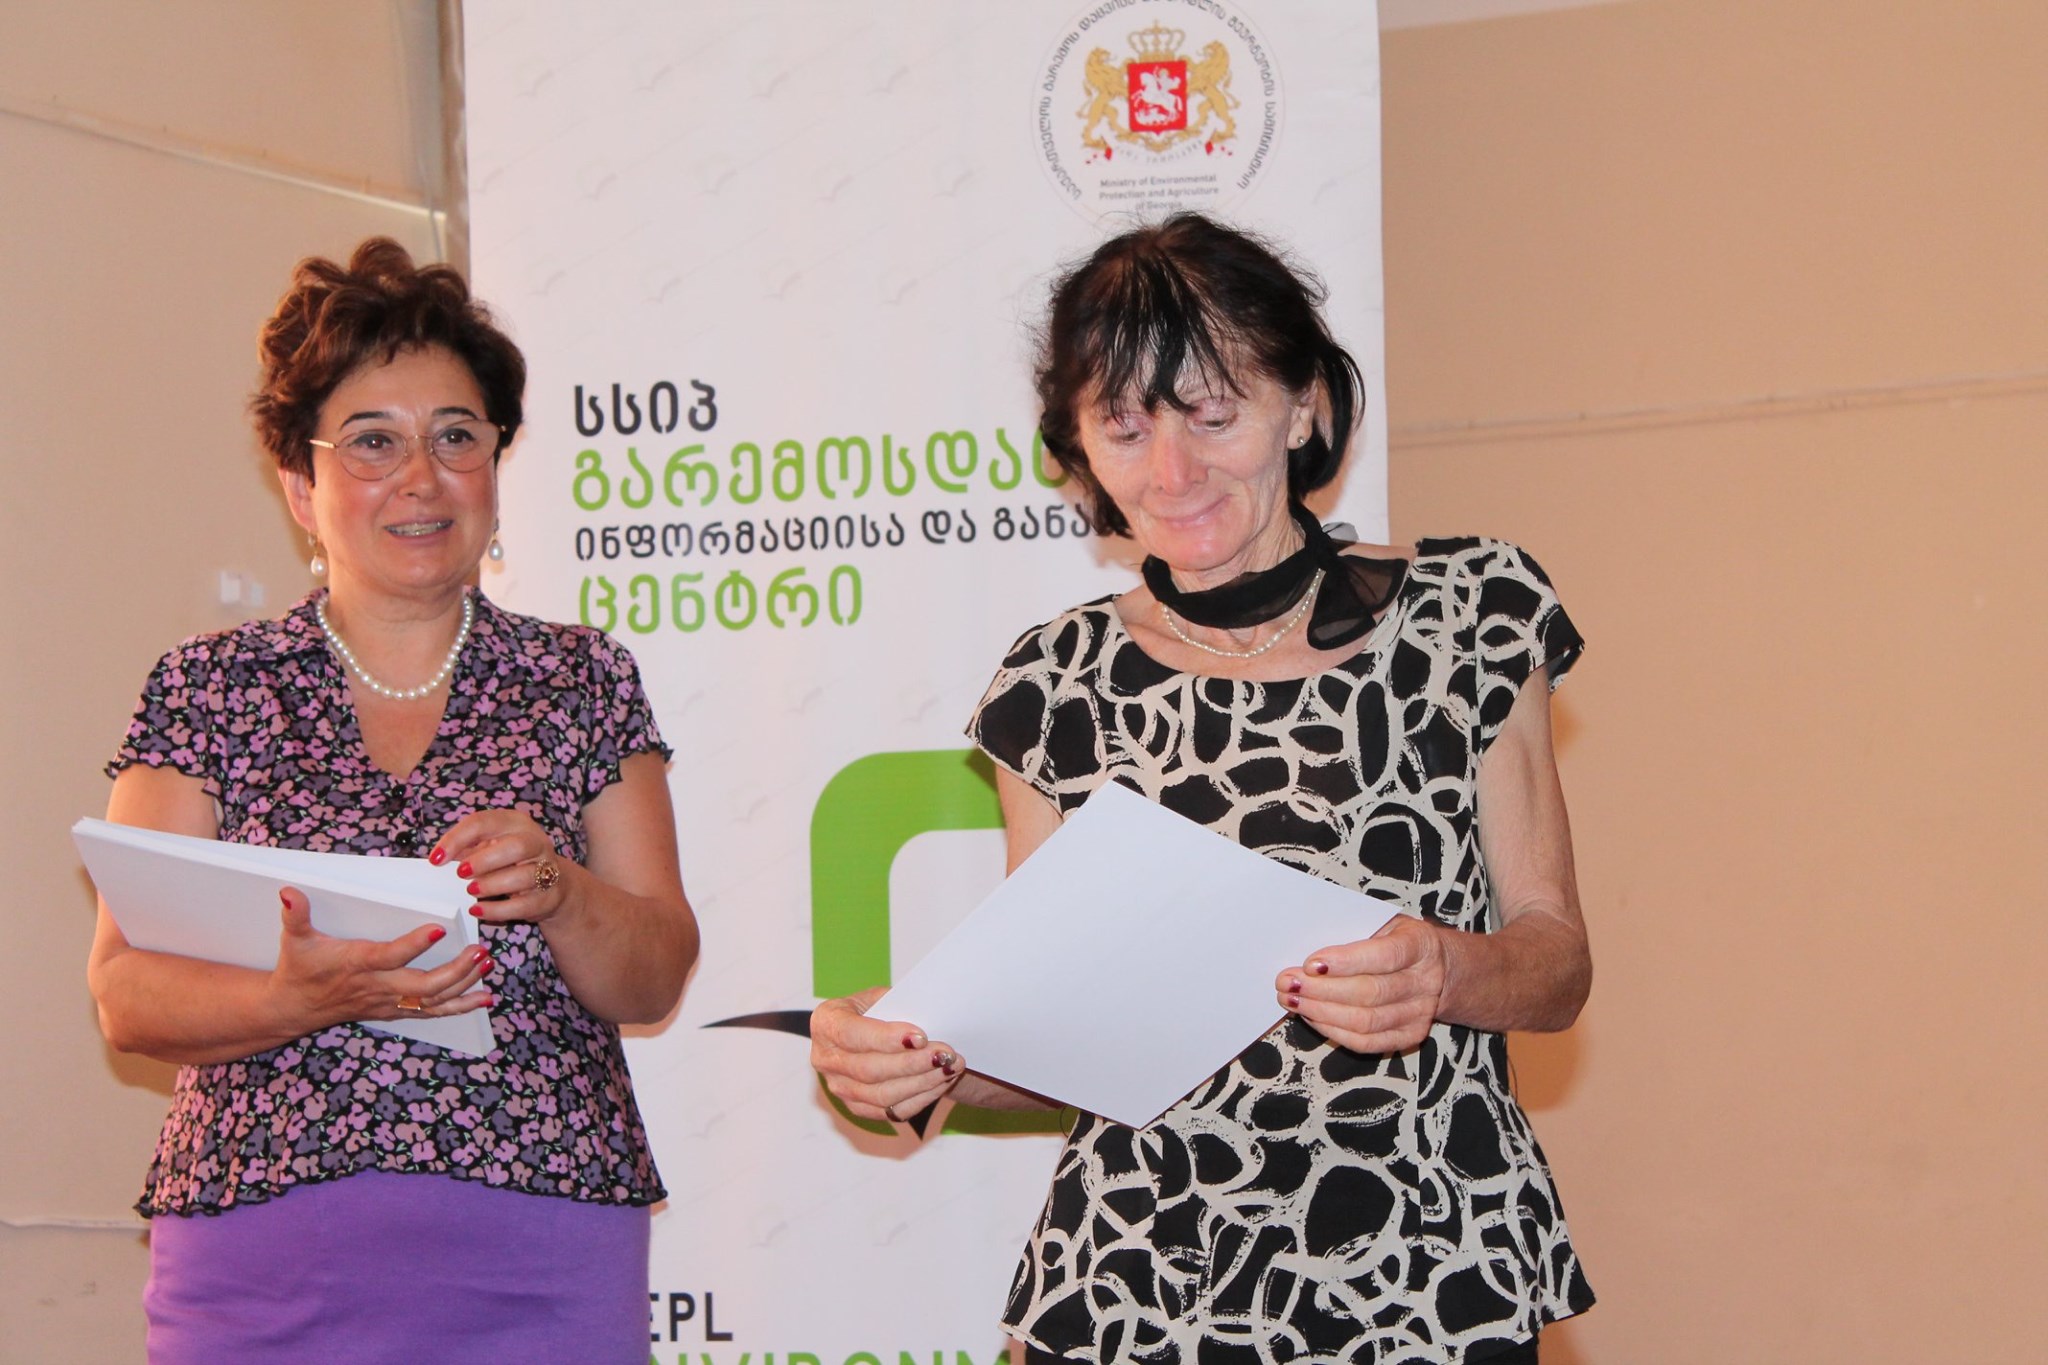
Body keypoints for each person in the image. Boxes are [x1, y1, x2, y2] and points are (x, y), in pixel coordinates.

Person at [811, 214, 1594, 1364]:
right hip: (1138, 1285)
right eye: (1124, 430)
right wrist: (913, 1054)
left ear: (1303, 405)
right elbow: (1053, 1037)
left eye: (1212, 415)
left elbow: (1556, 963)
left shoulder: (1469, 613)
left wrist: (1443, 969)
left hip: (1424, 1268)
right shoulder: (1056, 682)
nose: (1170, 474)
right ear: (1079, 451)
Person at [87, 238, 698, 1364]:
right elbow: (126, 993)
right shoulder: (209, 686)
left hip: (540, 1258)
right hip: (260, 1261)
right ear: (301, 487)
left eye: (457, 437)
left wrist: (561, 891)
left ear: (495, 467)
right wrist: (294, 997)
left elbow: (655, 971)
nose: (422, 477)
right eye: (372, 442)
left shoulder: (583, 678)